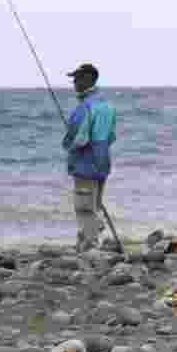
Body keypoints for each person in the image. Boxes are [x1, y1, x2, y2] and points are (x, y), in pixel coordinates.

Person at [62, 63, 117, 252]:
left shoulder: (85, 107)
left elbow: (78, 138)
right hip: (102, 163)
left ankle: (90, 244)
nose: (74, 83)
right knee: (95, 204)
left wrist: (68, 144)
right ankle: (87, 238)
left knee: (84, 206)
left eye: (77, 79)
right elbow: (111, 137)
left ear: (88, 79)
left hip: (85, 163)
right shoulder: (107, 105)